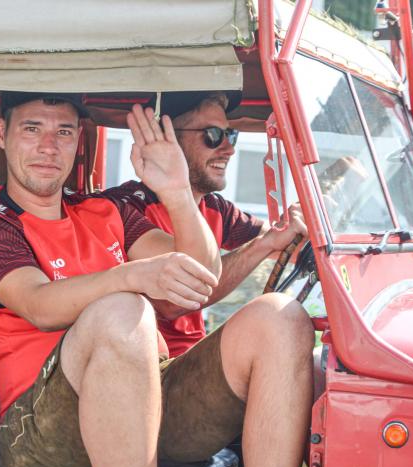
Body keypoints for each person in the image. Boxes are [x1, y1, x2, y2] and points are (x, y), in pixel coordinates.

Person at [0, 91, 314, 467]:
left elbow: (201, 273)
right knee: (123, 309)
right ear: (2, 133)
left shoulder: (104, 211)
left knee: (279, 317)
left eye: (63, 132)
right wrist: (129, 277)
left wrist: (177, 193)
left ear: (79, 141)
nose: (49, 146)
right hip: (38, 431)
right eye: (32, 129)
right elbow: (37, 304)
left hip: (146, 403)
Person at [103, 91, 308, 357]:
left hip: (191, 357)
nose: (229, 149)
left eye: (230, 135)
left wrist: (301, 230)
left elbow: (284, 244)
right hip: (148, 363)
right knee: (277, 318)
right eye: (213, 135)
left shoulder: (215, 207)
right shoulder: (125, 207)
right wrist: (263, 246)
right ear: (169, 140)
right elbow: (175, 301)